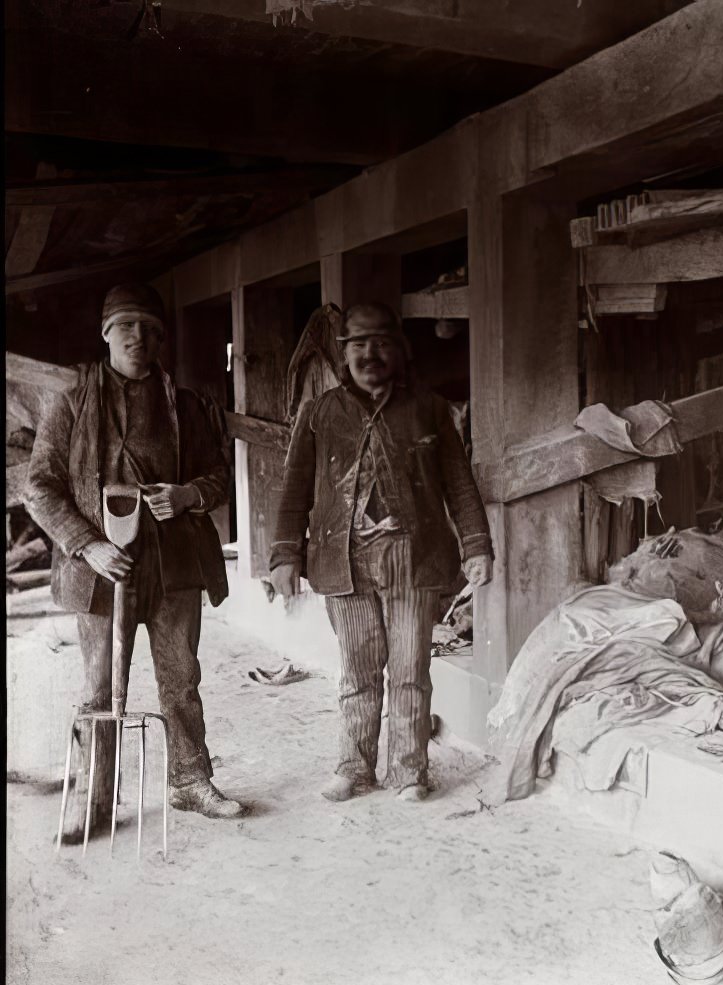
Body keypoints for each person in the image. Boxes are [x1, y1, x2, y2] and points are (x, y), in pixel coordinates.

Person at [26, 283, 245, 839]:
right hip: (100, 572)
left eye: (150, 329)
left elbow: (218, 477)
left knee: (181, 680)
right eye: (126, 326)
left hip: (173, 568)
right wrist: (88, 544)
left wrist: (189, 495)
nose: (139, 338)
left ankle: (190, 781)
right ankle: (94, 798)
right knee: (99, 691)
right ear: (105, 334)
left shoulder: (185, 404)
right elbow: (41, 488)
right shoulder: (71, 402)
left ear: (162, 338)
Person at [270, 302, 493, 803]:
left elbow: (460, 485)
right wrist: (285, 554)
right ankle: (353, 767)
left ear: (400, 350)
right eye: (358, 345)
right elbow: (293, 491)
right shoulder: (320, 411)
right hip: (341, 559)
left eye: (381, 343)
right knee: (358, 670)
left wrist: (477, 545)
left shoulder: (430, 409)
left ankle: (410, 772)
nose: (370, 354)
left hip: (413, 558)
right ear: (344, 353)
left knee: (411, 669)